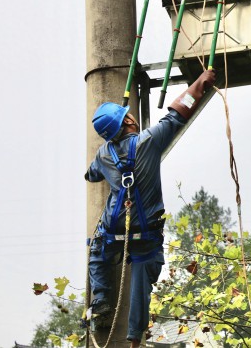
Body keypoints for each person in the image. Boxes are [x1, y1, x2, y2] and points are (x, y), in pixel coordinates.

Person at [85, 69, 216, 347]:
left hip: (114, 229)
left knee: (97, 252)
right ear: (129, 121)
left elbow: (92, 175)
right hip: (146, 231)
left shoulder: (103, 153)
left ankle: (100, 302)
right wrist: (202, 80)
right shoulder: (148, 141)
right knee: (141, 285)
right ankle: (134, 339)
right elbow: (179, 112)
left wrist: (101, 172)